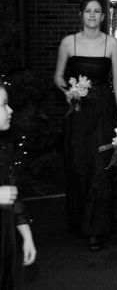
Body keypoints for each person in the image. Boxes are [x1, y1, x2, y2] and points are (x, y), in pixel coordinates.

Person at [53, 0, 117, 251]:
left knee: (102, 166)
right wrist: (69, 92)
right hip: (78, 114)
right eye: (88, 10)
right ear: (81, 14)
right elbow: (58, 76)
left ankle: (97, 229)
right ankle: (81, 221)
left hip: (103, 112)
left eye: (97, 11)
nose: (92, 15)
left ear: (103, 16)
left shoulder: (111, 43)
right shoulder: (68, 43)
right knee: (80, 164)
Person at [0, 81, 37, 289]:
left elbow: (15, 197)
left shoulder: (4, 149)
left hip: (5, 233)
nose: (10, 110)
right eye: (3, 104)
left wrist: (26, 235)